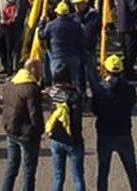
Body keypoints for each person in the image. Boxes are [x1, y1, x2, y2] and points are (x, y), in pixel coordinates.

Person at [91, 55, 137, 191]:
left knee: (103, 171)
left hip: (105, 133)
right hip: (124, 132)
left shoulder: (100, 89)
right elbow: (131, 104)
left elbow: (94, 109)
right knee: (131, 170)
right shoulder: (130, 89)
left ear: (105, 70)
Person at [1, 60, 44, 191]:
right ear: (32, 70)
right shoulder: (31, 88)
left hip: (11, 130)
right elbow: (35, 115)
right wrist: (40, 131)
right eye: (39, 70)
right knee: (28, 172)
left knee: (11, 167)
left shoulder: (10, 83)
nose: (41, 73)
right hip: (27, 134)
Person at [47, 63, 85, 191]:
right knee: (78, 177)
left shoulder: (52, 92)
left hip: (56, 138)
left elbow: (58, 94)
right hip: (73, 139)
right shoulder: (75, 96)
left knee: (58, 176)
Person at [40, 2, 85, 93]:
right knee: (74, 81)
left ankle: (58, 103)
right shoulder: (76, 25)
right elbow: (81, 40)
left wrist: (41, 23)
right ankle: (76, 101)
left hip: (57, 56)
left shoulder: (51, 25)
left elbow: (41, 36)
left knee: (57, 83)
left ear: (57, 14)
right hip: (73, 56)